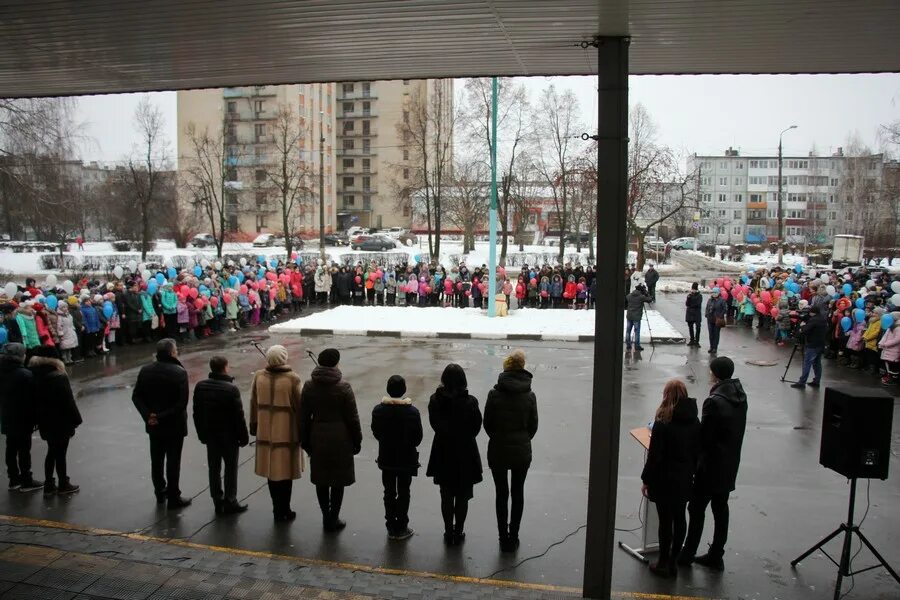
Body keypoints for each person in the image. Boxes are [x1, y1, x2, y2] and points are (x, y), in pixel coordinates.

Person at [680, 356, 748, 571]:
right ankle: (716, 554)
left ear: (715, 374)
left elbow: (705, 437)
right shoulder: (740, 395)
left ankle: (687, 553)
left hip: (710, 465)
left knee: (696, 508)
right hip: (729, 463)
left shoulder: (714, 401)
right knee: (720, 508)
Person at [640, 379, 700, 577]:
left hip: (664, 479)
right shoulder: (694, 419)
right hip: (684, 477)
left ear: (666, 394)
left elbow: (655, 456)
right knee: (680, 517)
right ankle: (674, 560)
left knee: (665, 522)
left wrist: (646, 479)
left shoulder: (663, 421)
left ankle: (663, 561)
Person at [300, 348, 362, 532]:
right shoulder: (343, 387)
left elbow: (303, 417)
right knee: (337, 480)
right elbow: (353, 418)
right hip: (340, 438)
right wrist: (357, 440)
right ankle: (333, 518)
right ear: (336, 363)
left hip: (317, 435)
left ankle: (326, 515)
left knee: (321, 479)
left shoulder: (309, 385)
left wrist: (305, 440)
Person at [484, 350, 538, 552]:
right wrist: (523, 438)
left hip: (498, 449)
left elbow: (487, 423)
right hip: (521, 451)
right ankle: (514, 535)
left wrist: (498, 436)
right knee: (518, 492)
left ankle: (502, 536)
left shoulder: (494, 394)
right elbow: (533, 426)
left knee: (501, 493)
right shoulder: (530, 395)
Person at [426, 363, 483, 546]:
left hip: (443, 452)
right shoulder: (471, 402)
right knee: (463, 495)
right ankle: (459, 531)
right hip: (465, 452)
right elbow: (476, 427)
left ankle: (448, 531)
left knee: (446, 494)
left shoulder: (435, 400)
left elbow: (434, 424)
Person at [132, 338, 192, 508]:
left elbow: (136, 396)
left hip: (154, 425)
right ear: (172, 353)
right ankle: (174, 496)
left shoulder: (146, 370)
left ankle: (160, 492)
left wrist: (149, 415)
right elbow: (181, 403)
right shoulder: (179, 372)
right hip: (173, 425)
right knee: (173, 462)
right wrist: (161, 415)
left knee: (156, 461)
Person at [250, 345, 304, 521]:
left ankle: (277, 508)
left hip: (265, 430)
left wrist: (253, 424)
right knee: (286, 473)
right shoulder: (292, 379)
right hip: (287, 432)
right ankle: (285, 509)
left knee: (271, 472)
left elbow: (253, 402)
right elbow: (300, 407)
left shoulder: (259, 377)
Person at [193, 356, 250, 515]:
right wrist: (243, 437)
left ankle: (217, 499)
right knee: (230, 468)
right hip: (229, 436)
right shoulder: (230, 389)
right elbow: (239, 416)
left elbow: (196, 413)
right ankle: (230, 500)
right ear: (225, 368)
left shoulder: (201, 386)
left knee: (214, 468)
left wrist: (201, 433)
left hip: (210, 434)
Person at [371, 375, 423, 540]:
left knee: (388, 492)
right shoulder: (412, 412)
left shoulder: (378, 410)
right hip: (406, 459)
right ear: (404, 390)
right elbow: (418, 438)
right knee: (404, 491)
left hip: (386, 458)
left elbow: (376, 432)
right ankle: (402, 525)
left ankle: (390, 525)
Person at [30, 347, 82, 496]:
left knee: (51, 452)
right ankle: (63, 483)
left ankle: (49, 484)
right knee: (60, 453)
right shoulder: (59, 376)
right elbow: (68, 401)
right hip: (61, 421)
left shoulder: (34, 375)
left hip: (44, 421)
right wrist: (76, 420)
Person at [0, 343, 43, 492]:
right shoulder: (25, 374)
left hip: (7, 416)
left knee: (10, 448)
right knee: (24, 450)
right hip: (23, 418)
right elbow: (33, 398)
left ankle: (13, 479)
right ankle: (26, 480)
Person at [791, 304, 828, 389]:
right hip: (820, 344)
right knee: (817, 363)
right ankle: (816, 381)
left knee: (807, 363)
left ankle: (802, 382)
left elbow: (805, 330)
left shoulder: (813, 320)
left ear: (812, 312)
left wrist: (802, 327)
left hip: (812, 344)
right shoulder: (822, 318)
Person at [625, 284, 652, 351]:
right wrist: (647, 294)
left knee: (628, 331)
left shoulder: (629, 296)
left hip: (629, 316)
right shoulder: (641, 297)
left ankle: (628, 345)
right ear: (641, 291)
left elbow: (626, 298)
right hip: (636, 317)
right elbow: (649, 300)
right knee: (637, 331)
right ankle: (637, 346)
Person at [705, 290, 727, 354]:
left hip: (717, 320)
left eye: (715, 292)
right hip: (710, 319)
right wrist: (706, 314)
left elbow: (725, 309)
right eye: (713, 292)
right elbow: (707, 308)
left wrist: (720, 316)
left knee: (716, 334)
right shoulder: (710, 300)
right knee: (711, 334)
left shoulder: (722, 300)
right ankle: (711, 347)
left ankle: (715, 348)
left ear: (718, 293)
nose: (714, 294)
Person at [685, 283, 703, 347]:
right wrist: (689, 298)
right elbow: (687, 304)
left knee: (698, 328)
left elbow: (697, 304)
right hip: (690, 313)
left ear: (696, 289)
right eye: (692, 289)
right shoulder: (689, 295)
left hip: (697, 313)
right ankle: (692, 340)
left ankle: (697, 341)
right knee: (690, 327)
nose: (693, 290)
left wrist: (691, 304)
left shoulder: (699, 296)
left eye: (694, 289)